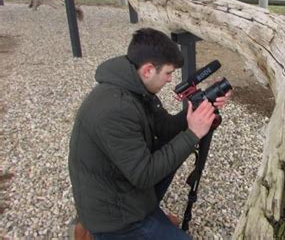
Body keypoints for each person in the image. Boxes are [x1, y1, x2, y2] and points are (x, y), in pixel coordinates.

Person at [68, 28, 231, 239]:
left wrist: (203, 107)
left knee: (172, 144)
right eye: (168, 73)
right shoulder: (115, 109)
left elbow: (166, 130)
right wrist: (193, 133)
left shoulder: (135, 88)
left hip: (123, 185)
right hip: (115, 217)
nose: (171, 80)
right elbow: (144, 175)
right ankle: (91, 232)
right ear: (148, 70)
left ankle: (153, 218)